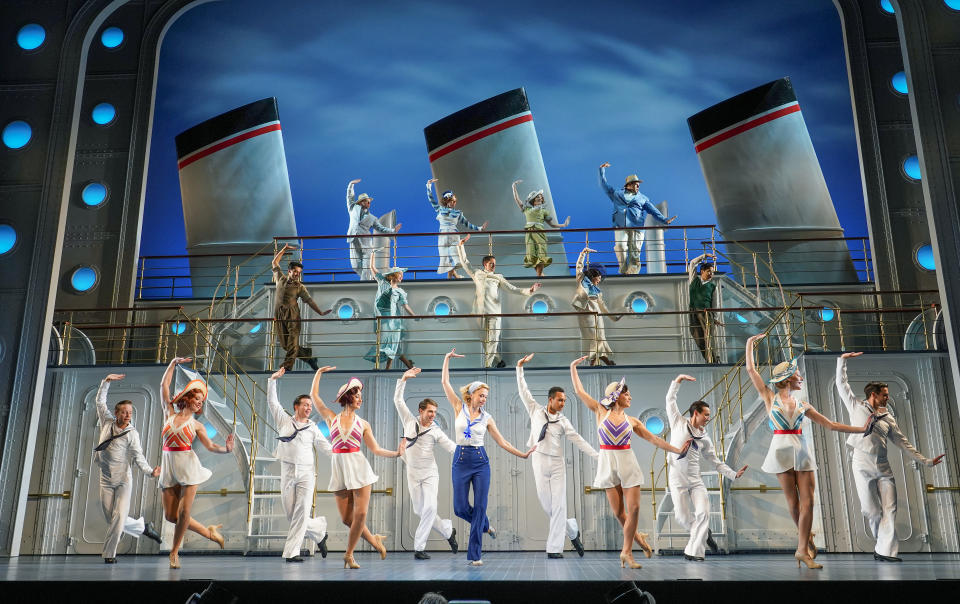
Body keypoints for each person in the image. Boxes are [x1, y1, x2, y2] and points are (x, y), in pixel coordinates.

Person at [744, 334, 869, 569]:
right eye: (797, 375)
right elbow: (751, 370)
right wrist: (751, 343)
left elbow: (830, 425)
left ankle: (802, 549)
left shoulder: (803, 404)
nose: (800, 377)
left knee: (808, 502)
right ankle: (806, 537)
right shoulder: (770, 398)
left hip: (800, 450)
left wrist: (862, 428)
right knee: (793, 503)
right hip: (780, 449)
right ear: (788, 379)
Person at [569, 356, 691, 569]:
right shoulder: (600, 411)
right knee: (619, 513)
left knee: (633, 509)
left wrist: (677, 449)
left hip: (627, 462)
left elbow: (654, 439)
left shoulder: (632, 421)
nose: (630, 397)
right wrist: (573, 367)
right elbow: (580, 392)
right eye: (627, 393)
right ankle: (639, 539)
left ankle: (626, 552)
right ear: (617, 396)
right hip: (608, 462)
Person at [835, 352, 946, 562]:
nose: (887, 396)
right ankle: (881, 545)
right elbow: (842, 385)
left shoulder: (887, 417)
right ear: (873, 395)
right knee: (871, 511)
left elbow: (903, 442)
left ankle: (886, 552)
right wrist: (843, 360)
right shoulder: (856, 406)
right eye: (884, 394)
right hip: (862, 463)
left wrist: (926, 461)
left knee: (890, 510)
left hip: (883, 467)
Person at [441, 348, 535, 565]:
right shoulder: (458, 407)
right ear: (471, 394)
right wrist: (447, 359)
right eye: (481, 395)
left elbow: (502, 442)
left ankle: (475, 555)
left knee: (480, 506)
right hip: (460, 459)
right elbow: (445, 383)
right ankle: (485, 526)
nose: (484, 399)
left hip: (480, 462)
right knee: (460, 507)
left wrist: (522, 454)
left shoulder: (488, 418)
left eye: (486, 397)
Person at [310, 366, 406, 569]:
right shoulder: (331, 417)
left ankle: (349, 554)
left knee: (360, 515)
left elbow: (377, 449)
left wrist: (397, 453)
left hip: (360, 467)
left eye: (361, 396)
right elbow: (314, 396)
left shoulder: (363, 424)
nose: (360, 399)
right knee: (347, 519)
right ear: (348, 397)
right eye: (357, 396)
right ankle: (374, 540)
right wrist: (318, 373)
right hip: (340, 468)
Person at [516, 353, 597, 558]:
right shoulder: (535, 410)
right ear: (550, 399)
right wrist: (519, 368)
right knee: (549, 508)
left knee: (559, 505)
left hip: (558, 464)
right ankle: (572, 531)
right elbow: (523, 390)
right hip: (539, 461)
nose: (562, 403)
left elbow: (578, 440)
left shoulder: (563, 421)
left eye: (564, 401)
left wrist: (597, 456)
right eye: (559, 400)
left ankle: (554, 549)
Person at [159, 357, 235, 569]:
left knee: (184, 513)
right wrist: (172, 363)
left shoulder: (196, 425)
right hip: (169, 466)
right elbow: (164, 385)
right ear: (188, 398)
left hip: (188, 467)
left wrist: (226, 449)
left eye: (202, 400)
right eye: (197, 398)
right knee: (171, 516)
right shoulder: (169, 413)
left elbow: (211, 446)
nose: (200, 402)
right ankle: (209, 532)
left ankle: (174, 553)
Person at [665, 374, 747, 561]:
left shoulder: (705, 438)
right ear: (696, 413)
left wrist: (733, 474)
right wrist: (677, 380)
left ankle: (694, 553)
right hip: (677, 479)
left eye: (709, 415)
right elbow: (670, 399)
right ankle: (705, 533)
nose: (708, 418)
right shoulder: (678, 422)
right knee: (683, 518)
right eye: (706, 415)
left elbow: (715, 461)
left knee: (703, 513)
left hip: (696, 481)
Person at [266, 367, 334, 562]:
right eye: (305, 405)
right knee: (292, 515)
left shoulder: (313, 428)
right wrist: (273, 380)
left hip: (306, 473)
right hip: (287, 471)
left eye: (310, 406)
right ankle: (319, 531)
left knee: (302, 511)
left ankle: (292, 553)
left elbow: (325, 447)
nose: (308, 408)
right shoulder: (284, 420)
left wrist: (342, 456)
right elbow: (273, 402)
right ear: (296, 406)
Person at [93, 373, 162, 563]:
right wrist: (106, 381)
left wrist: (150, 472)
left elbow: (138, 456)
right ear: (116, 413)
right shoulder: (107, 421)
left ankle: (109, 555)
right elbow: (100, 401)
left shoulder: (132, 434)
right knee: (111, 518)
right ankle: (143, 528)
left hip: (123, 480)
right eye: (124, 412)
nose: (128, 415)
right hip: (105, 479)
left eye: (130, 413)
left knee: (119, 516)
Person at [394, 367, 459, 559]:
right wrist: (403, 378)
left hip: (430, 473)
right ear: (420, 410)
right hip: (412, 472)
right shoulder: (409, 421)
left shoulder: (436, 431)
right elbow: (398, 400)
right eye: (430, 411)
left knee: (430, 508)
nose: (433, 415)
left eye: (435, 412)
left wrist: (469, 452)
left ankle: (419, 548)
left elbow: (451, 447)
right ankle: (448, 531)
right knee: (420, 511)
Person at [456, 235, 541, 368]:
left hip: (494, 312)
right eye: (491, 263)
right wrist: (461, 246)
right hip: (479, 313)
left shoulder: (498, 277)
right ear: (485, 264)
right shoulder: (477, 273)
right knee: (485, 340)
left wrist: (529, 290)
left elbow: (512, 289)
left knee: (493, 340)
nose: (494, 265)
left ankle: (487, 366)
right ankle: (499, 360)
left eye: (495, 264)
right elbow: (465, 262)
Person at [598, 162, 677, 274]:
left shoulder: (643, 198)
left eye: (638, 184)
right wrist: (602, 170)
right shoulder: (617, 193)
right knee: (620, 246)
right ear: (628, 185)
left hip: (636, 227)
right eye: (635, 183)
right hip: (620, 225)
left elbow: (653, 210)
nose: (638, 185)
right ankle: (624, 269)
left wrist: (664, 220)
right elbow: (604, 185)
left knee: (635, 252)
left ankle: (633, 273)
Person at [271, 243, 331, 371]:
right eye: (295, 271)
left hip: (293, 316)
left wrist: (320, 312)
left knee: (292, 343)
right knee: (286, 346)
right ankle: (308, 357)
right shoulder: (280, 279)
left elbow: (309, 300)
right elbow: (274, 262)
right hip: (279, 315)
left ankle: (286, 367)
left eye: (299, 272)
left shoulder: (300, 287)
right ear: (289, 271)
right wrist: (284, 249)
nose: (297, 274)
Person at [364, 249, 416, 370]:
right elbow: (372, 267)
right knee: (390, 343)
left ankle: (388, 368)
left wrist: (414, 315)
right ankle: (408, 365)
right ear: (393, 275)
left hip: (393, 319)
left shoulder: (400, 291)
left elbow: (405, 305)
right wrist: (372, 253)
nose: (402, 277)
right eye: (400, 274)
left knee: (392, 343)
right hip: (382, 317)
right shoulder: (382, 281)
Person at [427, 178, 487, 279]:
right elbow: (431, 199)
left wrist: (480, 228)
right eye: (452, 201)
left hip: (453, 236)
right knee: (445, 258)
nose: (454, 203)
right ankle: (455, 277)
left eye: (455, 201)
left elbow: (467, 224)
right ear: (447, 201)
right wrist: (428, 186)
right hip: (442, 237)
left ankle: (450, 279)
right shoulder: (440, 209)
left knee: (456, 257)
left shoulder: (458, 213)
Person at [572, 247, 621, 366]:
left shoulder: (598, 291)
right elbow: (579, 266)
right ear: (593, 277)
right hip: (585, 315)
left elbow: (603, 306)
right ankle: (599, 361)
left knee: (600, 337)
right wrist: (583, 253)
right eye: (598, 279)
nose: (599, 281)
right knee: (594, 338)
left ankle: (599, 361)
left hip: (597, 315)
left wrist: (614, 318)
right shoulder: (581, 280)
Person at [511, 180, 570, 277]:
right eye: (537, 197)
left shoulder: (544, 211)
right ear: (533, 200)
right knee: (531, 254)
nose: (539, 198)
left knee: (541, 253)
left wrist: (563, 225)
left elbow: (552, 225)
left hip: (540, 232)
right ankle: (540, 274)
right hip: (529, 233)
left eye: (540, 197)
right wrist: (514, 187)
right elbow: (517, 199)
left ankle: (539, 276)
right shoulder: (527, 209)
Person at [346, 178, 402, 280]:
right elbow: (349, 197)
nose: (369, 203)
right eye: (367, 201)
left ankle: (365, 282)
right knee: (355, 265)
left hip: (366, 243)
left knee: (367, 265)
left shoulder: (372, 218)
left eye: (369, 202)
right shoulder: (353, 208)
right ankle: (367, 277)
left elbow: (381, 228)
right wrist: (351, 185)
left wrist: (393, 231)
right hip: (353, 239)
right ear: (361, 202)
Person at [687, 253, 717, 364]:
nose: (711, 274)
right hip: (693, 311)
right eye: (709, 271)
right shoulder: (693, 280)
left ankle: (713, 361)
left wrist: (714, 317)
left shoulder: (712, 286)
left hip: (706, 313)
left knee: (708, 337)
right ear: (702, 271)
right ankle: (709, 360)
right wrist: (704, 256)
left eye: (712, 272)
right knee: (697, 336)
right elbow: (692, 263)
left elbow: (714, 303)